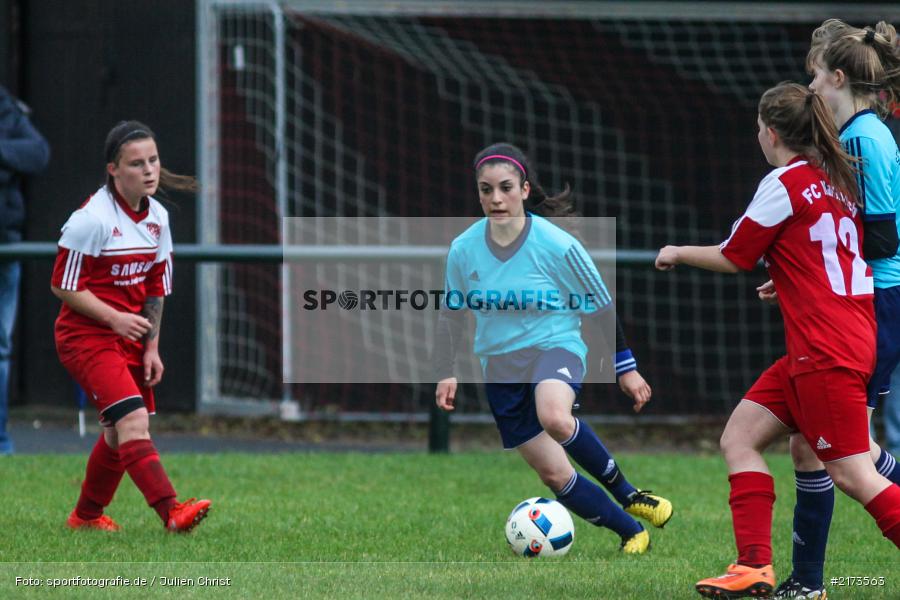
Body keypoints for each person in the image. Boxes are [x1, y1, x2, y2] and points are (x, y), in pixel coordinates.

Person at [655, 82, 900, 599]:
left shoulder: (785, 181)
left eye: (757, 130)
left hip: (827, 349)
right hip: (841, 338)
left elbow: (734, 254)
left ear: (770, 133)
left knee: (855, 473)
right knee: (739, 438)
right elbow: (825, 254)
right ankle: (754, 569)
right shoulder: (835, 180)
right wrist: (787, 278)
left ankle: (788, 577)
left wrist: (676, 250)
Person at [434, 142, 673, 555]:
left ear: (525, 190)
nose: (496, 198)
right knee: (554, 474)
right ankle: (631, 531)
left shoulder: (556, 244)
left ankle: (630, 493)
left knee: (555, 416)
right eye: (486, 189)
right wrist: (445, 368)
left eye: (506, 187)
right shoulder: (463, 249)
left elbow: (600, 304)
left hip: (555, 347)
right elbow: (451, 313)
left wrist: (625, 367)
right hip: (501, 368)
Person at [755, 21, 900, 598]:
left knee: (850, 457)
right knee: (817, 446)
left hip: (877, 301)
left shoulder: (864, 138)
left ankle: (810, 581)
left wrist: (830, 274)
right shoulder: (868, 131)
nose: (810, 86)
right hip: (865, 298)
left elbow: (883, 237)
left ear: (837, 77)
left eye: (815, 75)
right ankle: (808, 582)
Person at [51, 120, 210, 532]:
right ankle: (172, 512)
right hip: (85, 337)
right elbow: (63, 286)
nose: (149, 170)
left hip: (127, 338)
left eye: (153, 160)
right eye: (136, 163)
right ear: (113, 170)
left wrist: (151, 347)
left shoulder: (158, 216)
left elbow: (156, 287)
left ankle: (85, 517)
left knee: (117, 433)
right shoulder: (91, 219)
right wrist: (115, 318)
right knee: (133, 422)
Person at [0, 85, 50, 455]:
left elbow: (37, 154)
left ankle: (1, 443)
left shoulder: (6, 109)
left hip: (5, 245)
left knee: (1, 347)